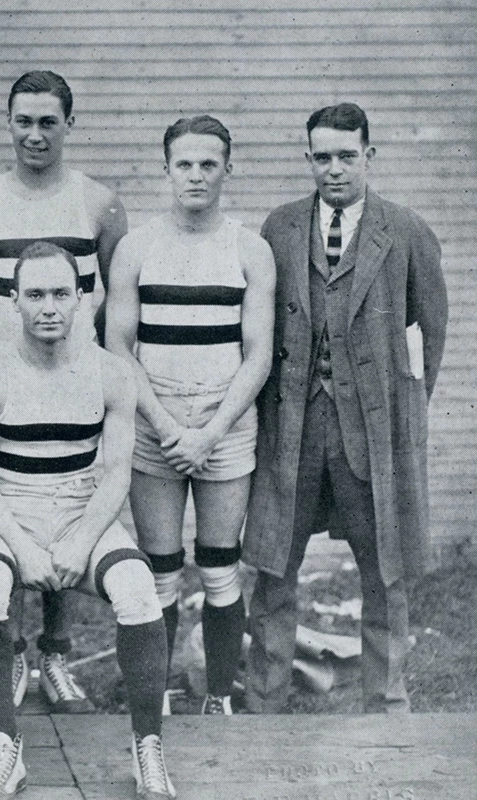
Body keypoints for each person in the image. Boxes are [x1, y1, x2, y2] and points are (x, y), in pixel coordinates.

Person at [244, 103, 447, 714]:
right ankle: (264, 699)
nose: (334, 169)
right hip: (294, 432)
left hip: (371, 437)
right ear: (309, 158)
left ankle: (386, 700)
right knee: (275, 566)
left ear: (369, 156)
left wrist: (395, 416)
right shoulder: (278, 229)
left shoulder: (405, 232)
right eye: (322, 157)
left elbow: (426, 338)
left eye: (347, 156)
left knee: (385, 571)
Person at [0, 241, 174, 799]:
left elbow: (117, 474)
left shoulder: (111, 373)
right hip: (8, 507)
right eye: (35, 294)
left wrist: (80, 542)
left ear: (82, 298)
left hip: (80, 506)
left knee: (139, 589)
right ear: (13, 301)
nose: (48, 307)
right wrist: (24, 548)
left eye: (60, 293)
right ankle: (6, 747)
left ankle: (148, 747)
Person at [0, 69, 127, 713]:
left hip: (72, 368)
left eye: (48, 121)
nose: (35, 134)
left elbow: (114, 292)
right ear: (8, 124)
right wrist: (1, 347)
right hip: (6, 373)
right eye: (23, 121)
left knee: (68, 493)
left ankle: (55, 652)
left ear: (69, 126)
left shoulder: (99, 201)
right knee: (12, 501)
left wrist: (80, 356)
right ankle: (16, 651)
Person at [105, 115, 276, 715]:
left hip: (224, 428)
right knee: (158, 572)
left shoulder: (249, 248)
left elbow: (258, 355)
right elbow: (118, 347)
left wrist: (209, 431)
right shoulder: (137, 247)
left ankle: (219, 697)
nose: (196, 175)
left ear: (228, 168)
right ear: (167, 168)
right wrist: (167, 425)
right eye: (185, 164)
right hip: (155, 429)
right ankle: (155, 700)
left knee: (221, 568)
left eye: (209, 164)